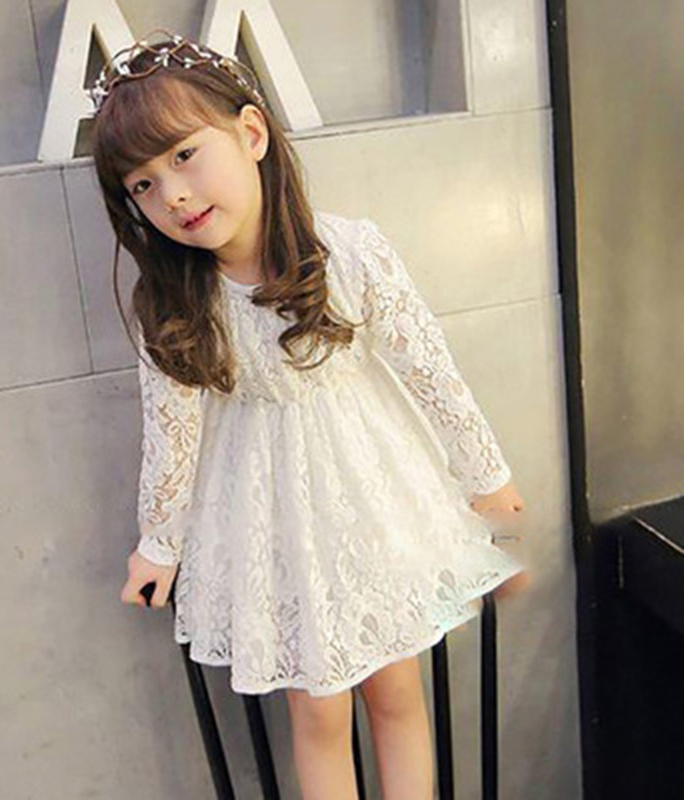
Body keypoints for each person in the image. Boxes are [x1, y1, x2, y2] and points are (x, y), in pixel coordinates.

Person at [89, 28, 530, 800]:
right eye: (143, 185)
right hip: (268, 513)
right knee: (318, 709)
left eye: (185, 155)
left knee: (396, 689)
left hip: (369, 494)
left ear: (251, 134)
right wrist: (158, 544)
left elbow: (429, 370)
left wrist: (487, 478)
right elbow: (173, 437)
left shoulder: (349, 253)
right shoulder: (177, 301)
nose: (173, 196)